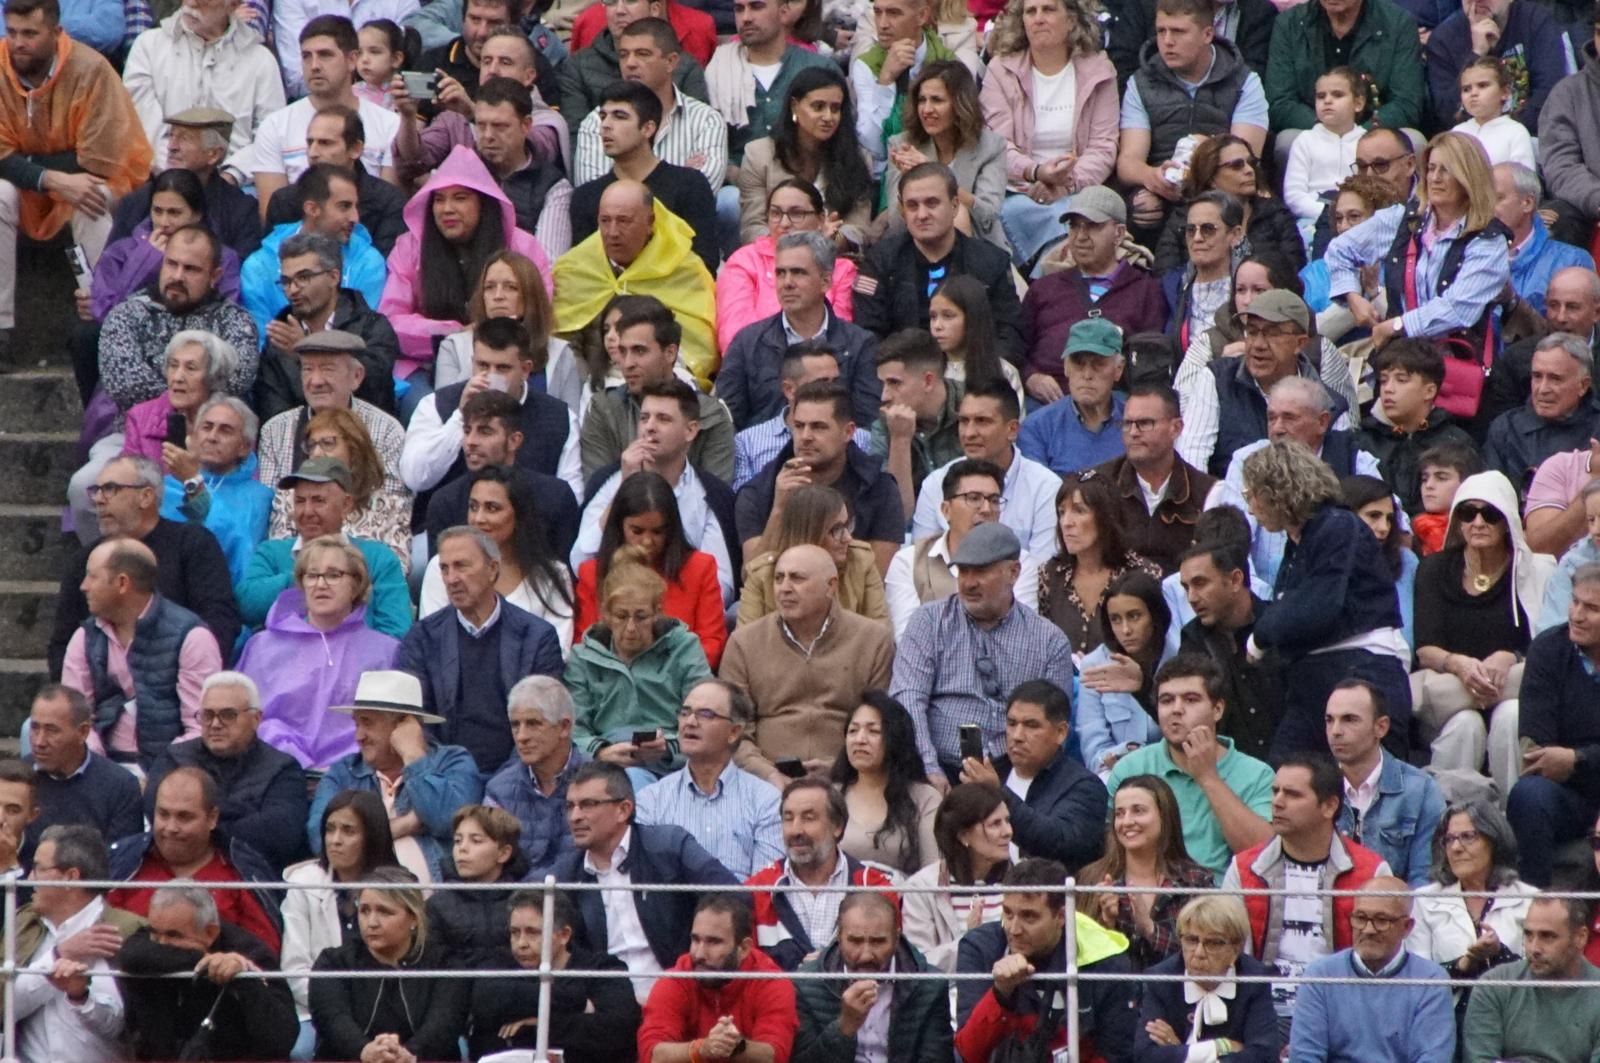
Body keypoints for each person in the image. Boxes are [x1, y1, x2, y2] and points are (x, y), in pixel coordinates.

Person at [0, 0, 152, 366]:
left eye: (30, 34)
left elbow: (96, 159)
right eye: (13, 32)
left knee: (92, 198)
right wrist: (50, 177)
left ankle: (106, 320)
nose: (18, 43)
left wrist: (33, 168)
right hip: (31, 187)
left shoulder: (91, 69)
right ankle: (1, 331)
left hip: (97, 180)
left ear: (56, 33)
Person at [1242, 441, 1413, 760]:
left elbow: (1318, 606)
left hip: (1362, 669)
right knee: (1284, 781)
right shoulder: (1299, 543)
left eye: (1251, 495)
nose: (1250, 508)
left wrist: (1261, 636)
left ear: (1276, 491)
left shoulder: (1338, 525)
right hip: (1312, 681)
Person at [1325, 133, 1511, 413]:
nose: (1435, 178)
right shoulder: (1405, 219)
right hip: (1395, 368)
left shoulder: (1488, 240)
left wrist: (1397, 325)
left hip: (1451, 375)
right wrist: (1353, 297)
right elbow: (1339, 250)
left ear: (1468, 177)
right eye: (1432, 168)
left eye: (1446, 170)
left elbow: (1458, 309)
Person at [893, 523, 1074, 787]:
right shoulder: (929, 622)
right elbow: (907, 697)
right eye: (963, 571)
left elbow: (1056, 724)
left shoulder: (1049, 641)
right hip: (937, 769)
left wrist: (1017, 785)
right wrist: (928, 768)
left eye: (980, 571)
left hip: (1016, 774)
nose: (968, 583)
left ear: (1013, 572)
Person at [1221, 755, 1391, 1034]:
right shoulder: (1243, 869)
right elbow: (1227, 956)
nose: (1277, 802)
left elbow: (1387, 963)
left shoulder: (1373, 872)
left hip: (1343, 1018)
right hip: (1259, 1018)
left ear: (1329, 806)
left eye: (1292, 794)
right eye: (1275, 791)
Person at [1412, 472, 1553, 791]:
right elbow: (1425, 648)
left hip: (1515, 687)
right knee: (1465, 725)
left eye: (1489, 513)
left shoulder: (1536, 570)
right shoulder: (1433, 569)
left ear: (1506, 520)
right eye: (1467, 512)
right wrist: (1460, 665)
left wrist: (1511, 656)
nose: (1478, 522)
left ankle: (1512, 820)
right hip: (1453, 693)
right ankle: (1447, 822)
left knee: (1510, 717)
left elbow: (1551, 644)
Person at [555, 761, 739, 999]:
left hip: (684, 994)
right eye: (570, 806)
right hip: (610, 1006)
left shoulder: (670, 846)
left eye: (588, 805)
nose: (575, 817)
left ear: (623, 809)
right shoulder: (566, 876)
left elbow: (733, 896)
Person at [380, 146, 553, 400]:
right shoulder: (410, 247)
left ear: (484, 203)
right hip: (424, 366)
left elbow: (539, 309)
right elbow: (389, 322)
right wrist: (454, 332)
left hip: (510, 361)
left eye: (460, 198)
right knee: (424, 405)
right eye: (438, 199)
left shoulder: (523, 246)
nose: (446, 209)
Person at [724, 543, 896, 785]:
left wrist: (840, 769)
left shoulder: (873, 640)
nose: (784, 588)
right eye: (778, 578)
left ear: (831, 586)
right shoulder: (744, 643)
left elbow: (882, 726)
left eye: (797, 578)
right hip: (761, 783)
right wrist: (769, 774)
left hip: (849, 780)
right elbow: (734, 731)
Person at [399, 525, 564, 774]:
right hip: (445, 774)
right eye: (445, 568)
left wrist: (505, 781)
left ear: (492, 569)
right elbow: (417, 720)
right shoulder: (423, 638)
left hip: (519, 774)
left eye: (461, 566)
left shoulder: (536, 637)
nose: (451, 578)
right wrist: (455, 776)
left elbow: (541, 721)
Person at [58, 535, 224, 770]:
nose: (83, 585)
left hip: (172, 772)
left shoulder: (192, 637)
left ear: (122, 583)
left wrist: (158, 777)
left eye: (93, 576)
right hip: (101, 769)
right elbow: (74, 718)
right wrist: (102, 774)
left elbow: (200, 729)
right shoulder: (85, 637)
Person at [237, 537, 401, 771]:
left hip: (355, 779)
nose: (320, 584)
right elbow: (244, 721)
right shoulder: (261, 647)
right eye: (312, 575)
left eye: (333, 575)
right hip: (274, 774)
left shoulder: (386, 651)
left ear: (356, 584)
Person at [307, 670, 485, 882]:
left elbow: (447, 822)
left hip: (432, 903)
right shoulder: (343, 772)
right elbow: (320, 839)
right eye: (357, 724)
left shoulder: (453, 762)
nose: (358, 736)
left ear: (403, 724)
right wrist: (405, 825)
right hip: (356, 897)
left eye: (367, 723)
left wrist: (414, 758)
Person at [975, 0, 1116, 265]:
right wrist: (1036, 172)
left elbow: (1103, 147)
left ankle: (1041, 291)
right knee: (1016, 214)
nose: (1038, 18)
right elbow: (996, 144)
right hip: (1017, 189)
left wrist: (1067, 184)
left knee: (1073, 214)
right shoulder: (1000, 70)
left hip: (1078, 188)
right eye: (1031, 11)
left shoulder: (1099, 71)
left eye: (1049, 9)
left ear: (1071, 21)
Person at [1117, 0, 1269, 246]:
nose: (1167, 41)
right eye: (1161, 31)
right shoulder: (1141, 83)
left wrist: (1201, 164)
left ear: (1208, 34)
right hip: (1164, 190)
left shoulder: (1245, 81)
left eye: (1178, 31)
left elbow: (1245, 158)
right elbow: (1128, 161)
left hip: (1222, 188)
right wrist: (1151, 176)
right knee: (1141, 206)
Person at [1105, 654, 1273, 876]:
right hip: (1149, 899)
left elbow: (1263, 855)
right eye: (1166, 700)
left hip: (1224, 903)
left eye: (1191, 699)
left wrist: (1208, 777)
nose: (1176, 709)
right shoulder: (1130, 769)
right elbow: (1115, 852)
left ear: (1217, 709)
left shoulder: (1257, 774)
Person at [955, 857, 1138, 1061]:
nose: (1014, 929)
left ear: (1061, 916)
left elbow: (1116, 1056)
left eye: (1029, 917)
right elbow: (967, 1053)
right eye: (1007, 913)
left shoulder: (1106, 958)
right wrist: (1000, 993)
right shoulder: (979, 948)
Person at [401, 316, 582, 519]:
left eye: (503, 368)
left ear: (525, 370)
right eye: (483, 366)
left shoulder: (559, 417)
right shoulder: (435, 404)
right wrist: (460, 415)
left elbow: (571, 498)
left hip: (529, 533)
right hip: (448, 531)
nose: (490, 376)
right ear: (472, 363)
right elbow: (414, 477)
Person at [567, 539, 714, 785]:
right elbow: (574, 729)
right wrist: (600, 753)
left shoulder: (684, 647)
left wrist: (669, 746)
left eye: (641, 616)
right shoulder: (583, 656)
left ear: (657, 612)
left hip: (675, 766)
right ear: (605, 614)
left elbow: (707, 715)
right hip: (606, 767)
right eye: (621, 616)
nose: (631, 628)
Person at [552, 181, 718, 389]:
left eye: (623, 221)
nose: (612, 232)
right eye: (605, 221)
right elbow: (563, 347)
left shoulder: (685, 269)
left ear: (650, 221)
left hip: (666, 389)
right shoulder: (575, 268)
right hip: (593, 390)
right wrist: (592, 390)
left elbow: (696, 352)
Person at [853, 163, 1024, 365]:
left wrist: (977, 375)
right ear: (901, 209)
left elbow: (1009, 335)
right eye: (912, 205)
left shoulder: (990, 261)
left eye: (932, 203)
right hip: (903, 376)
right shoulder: (880, 261)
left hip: (973, 377)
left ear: (954, 206)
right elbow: (868, 334)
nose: (922, 214)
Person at [143, 672, 309, 873]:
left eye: (228, 715)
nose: (215, 724)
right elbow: (158, 817)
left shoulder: (283, 769)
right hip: (174, 873)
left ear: (256, 719)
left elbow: (277, 837)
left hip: (250, 878)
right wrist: (239, 812)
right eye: (207, 715)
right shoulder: (174, 758)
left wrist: (202, 825)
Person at [1017, 187, 1169, 407]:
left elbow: (1152, 361)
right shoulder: (1044, 288)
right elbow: (1015, 347)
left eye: (1092, 226)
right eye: (1074, 226)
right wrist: (1031, 377)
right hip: (1046, 403)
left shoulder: (1146, 290)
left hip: (1117, 403)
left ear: (1118, 233)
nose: (1080, 237)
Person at [115, 884, 299, 1062]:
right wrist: (205, 960)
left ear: (210, 933)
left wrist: (244, 978)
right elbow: (130, 956)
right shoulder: (145, 943)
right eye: (155, 933)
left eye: (173, 935)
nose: (161, 944)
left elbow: (282, 1038)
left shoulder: (250, 951)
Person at [736, 379, 906, 572]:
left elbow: (877, 576)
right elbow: (751, 577)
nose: (806, 436)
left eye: (818, 427)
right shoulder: (759, 490)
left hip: (854, 599)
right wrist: (779, 509)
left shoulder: (879, 488)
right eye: (799, 426)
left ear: (848, 432)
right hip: (777, 599)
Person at [107, 766, 282, 953]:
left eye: (184, 817)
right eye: (163, 814)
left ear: (212, 818)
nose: (171, 827)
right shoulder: (122, 863)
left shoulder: (241, 872)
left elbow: (264, 956)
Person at [236, 456, 412, 640]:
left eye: (318, 500)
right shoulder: (271, 553)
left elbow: (396, 631)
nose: (307, 511)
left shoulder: (378, 559)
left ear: (346, 505)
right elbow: (246, 606)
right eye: (300, 501)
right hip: (285, 663)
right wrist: (305, 574)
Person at [716, 229, 877, 429]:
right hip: (762, 455)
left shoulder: (859, 345)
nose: (787, 283)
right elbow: (727, 421)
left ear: (826, 281)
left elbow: (867, 423)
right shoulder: (747, 342)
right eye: (780, 273)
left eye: (798, 272)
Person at [281, 790, 400, 1055]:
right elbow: (295, 968)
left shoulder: (401, 885)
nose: (335, 841)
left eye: (348, 831)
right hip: (317, 1010)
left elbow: (411, 963)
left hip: (390, 1010)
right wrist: (338, 1010)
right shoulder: (303, 883)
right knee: (301, 1051)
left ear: (372, 836)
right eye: (330, 830)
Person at [309, 865, 470, 1061]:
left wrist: (409, 1054)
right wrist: (365, 1051)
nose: (372, 922)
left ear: (413, 918)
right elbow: (332, 1019)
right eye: (365, 911)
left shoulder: (446, 964)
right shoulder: (333, 963)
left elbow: (445, 1021)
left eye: (384, 912)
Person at [96, 225, 259, 416]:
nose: (177, 276)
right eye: (171, 264)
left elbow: (236, 381)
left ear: (215, 276)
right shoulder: (126, 314)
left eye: (191, 269)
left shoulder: (236, 321)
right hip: (137, 433)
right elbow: (125, 386)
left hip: (210, 434)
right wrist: (191, 395)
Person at [1289, 878, 1456, 1063]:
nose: (1368, 929)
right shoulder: (1320, 976)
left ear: (1407, 927)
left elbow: (1433, 1058)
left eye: (1381, 920)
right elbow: (1304, 1056)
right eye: (1360, 918)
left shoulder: (1432, 981)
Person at [1505, 562, 1600, 886]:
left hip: (1575, 774)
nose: (1576, 615)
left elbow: (1562, 759)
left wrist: (1577, 760)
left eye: (1592, 608)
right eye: (1574, 602)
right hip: (1567, 797)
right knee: (1529, 795)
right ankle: (1536, 904)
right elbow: (1537, 754)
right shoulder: (1548, 648)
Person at [567, 79, 719, 277]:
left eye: (620, 117)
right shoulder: (586, 196)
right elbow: (582, 270)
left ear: (648, 128)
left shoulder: (689, 185)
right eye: (603, 116)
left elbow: (704, 262)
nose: (605, 125)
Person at [249, 16, 400, 215]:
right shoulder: (275, 126)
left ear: (352, 60)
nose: (314, 66)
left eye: (325, 55)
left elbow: (387, 205)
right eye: (306, 56)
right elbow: (275, 215)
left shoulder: (389, 124)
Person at [743, 777, 898, 971]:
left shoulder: (877, 890)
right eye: (788, 818)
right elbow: (747, 973)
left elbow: (892, 966)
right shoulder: (755, 891)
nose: (795, 830)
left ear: (837, 826)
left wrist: (829, 965)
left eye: (809, 818)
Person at [573, 472, 728, 664]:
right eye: (637, 531)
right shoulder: (592, 573)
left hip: (678, 685)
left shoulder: (700, 568)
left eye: (657, 532)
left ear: (671, 528)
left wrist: (668, 676)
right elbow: (585, 645)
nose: (647, 541)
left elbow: (712, 643)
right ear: (619, 526)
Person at [468, 887, 642, 1059]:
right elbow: (486, 1000)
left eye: (532, 932)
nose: (521, 943)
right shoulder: (499, 964)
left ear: (564, 935)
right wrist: (578, 1002)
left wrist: (540, 1026)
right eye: (515, 933)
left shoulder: (602, 969)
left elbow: (617, 1030)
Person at [634, 678, 782, 877]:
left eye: (705, 714)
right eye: (685, 713)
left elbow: (765, 887)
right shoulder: (651, 800)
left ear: (734, 732)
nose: (690, 722)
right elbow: (644, 881)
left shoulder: (766, 800)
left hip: (743, 906)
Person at [577, 297, 735, 484]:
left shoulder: (711, 415)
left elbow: (716, 501)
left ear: (670, 353)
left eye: (639, 351)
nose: (627, 364)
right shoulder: (602, 409)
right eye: (623, 351)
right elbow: (596, 497)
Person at [13, 824, 137, 1060]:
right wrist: (59, 955)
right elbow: (5, 1006)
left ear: (70, 877)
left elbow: (121, 1026)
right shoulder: (23, 925)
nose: (29, 878)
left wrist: (80, 994)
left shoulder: (124, 931)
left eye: (38, 868)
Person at [421, 466, 576, 653]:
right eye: (473, 507)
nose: (478, 518)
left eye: (492, 508)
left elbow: (558, 651)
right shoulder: (443, 566)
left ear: (518, 514)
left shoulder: (553, 574)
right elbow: (432, 642)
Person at [959, 677, 1110, 868]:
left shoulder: (1085, 786)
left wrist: (997, 794)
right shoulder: (993, 773)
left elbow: (1059, 842)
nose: (1017, 736)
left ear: (1061, 733)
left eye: (1031, 725)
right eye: (1012, 724)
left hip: (1053, 894)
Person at [254, 329, 404, 514]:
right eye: (308, 369)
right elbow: (273, 508)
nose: (316, 381)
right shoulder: (275, 430)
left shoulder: (387, 429)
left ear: (356, 376)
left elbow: (393, 505)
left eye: (327, 369)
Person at [120, 2, 281, 174]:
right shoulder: (148, 46)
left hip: (236, 184)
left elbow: (269, 138)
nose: (191, 2)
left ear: (233, 4)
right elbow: (141, 126)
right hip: (161, 178)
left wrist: (232, 175)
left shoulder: (262, 61)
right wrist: (176, 174)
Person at [792, 890, 952, 1063]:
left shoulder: (930, 985)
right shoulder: (806, 984)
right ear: (839, 937)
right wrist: (844, 1027)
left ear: (897, 938)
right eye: (855, 941)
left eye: (878, 941)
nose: (866, 955)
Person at [1079, 774, 1217, 973]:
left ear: (1164, 816)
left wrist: (1150, 929)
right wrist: (1107, 925)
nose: (1126, 822)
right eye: (1119, 813)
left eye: (1138, 811)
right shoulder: (1092, 879)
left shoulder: (1196, 881)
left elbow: (1207, 958)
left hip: (1176, 999)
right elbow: (1081, 958)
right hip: (1117, 1000)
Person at [636, 894, 798, 1061]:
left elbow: (774, 1056)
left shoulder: (771, 983)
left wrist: (735, 1046)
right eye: (695, 940)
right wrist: (701, 1049)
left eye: (713, 942)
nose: (699, 953)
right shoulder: (675, 980)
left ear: (743, 948)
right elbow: (652, 1055)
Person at [889, 459, 1041, 637]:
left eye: (994, 500)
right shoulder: (908, 562)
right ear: (946, 510)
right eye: (973, 498)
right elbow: (908, 640)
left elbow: (1022, 635)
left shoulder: (1019, 562)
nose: (986, 509)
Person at [240, 164, 387, 348]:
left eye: (356, 206)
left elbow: (366, 341)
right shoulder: (259, 267)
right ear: (312, 209)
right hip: (278, 371)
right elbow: (260, 345)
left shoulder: (369, 262)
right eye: (344, 207)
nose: (355, 218)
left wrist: (306, 346)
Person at [572, 18, 726, 192]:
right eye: (623, 55)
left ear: (671, 62)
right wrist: (682, 176)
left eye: (642, 54)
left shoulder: (705, 120)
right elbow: (594, 196)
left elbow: (700, 193)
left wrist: (626, 189)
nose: (630, 63)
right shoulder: (596, 122)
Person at [736, 66, 876, 249]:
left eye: (835, 109)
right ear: (795, 105)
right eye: (818, 107)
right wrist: (804, 242)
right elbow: (753, 229)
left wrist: (831, 240)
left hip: (836, 259)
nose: (828, 117)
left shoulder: (858, 158)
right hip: (774, 260)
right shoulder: (759, 155)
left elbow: (859, 230)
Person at [82, 168, 244, 325]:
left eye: (174, 213)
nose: (163, 222)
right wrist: (146, 260)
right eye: (157, 211)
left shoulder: (223, 257)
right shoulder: (119, 252)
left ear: (197, 214)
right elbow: (106, 315)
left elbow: (227, 314)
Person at [877, 60, 1007, 254]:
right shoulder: (902, 145)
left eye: (937, 100)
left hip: (980, 249)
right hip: (915, 251)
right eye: (922, 100)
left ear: (960, 104)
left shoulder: (991, 147)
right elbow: (897, 224)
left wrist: (933, 171)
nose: (927, 110)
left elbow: (987, 216)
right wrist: (910, 178)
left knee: (960, 216)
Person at [1092, 384, 1223, 575]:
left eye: (1145, 423)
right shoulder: (1098, 484)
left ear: (1176, 428)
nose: (1134, 432)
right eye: (1127, 424)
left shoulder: (1209, 492)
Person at [1326, 680, 1446, 888]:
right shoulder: (1315, 788)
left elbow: (1426, 882)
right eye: (1329, 720)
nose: (1335, 731)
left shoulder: (1421, 790)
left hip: (1394, 916)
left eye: (1349, 720)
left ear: (1381, 727)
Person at [1407, 799, 1536, 992]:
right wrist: (1464, 964)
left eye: (1468, 836)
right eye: (1449, 839)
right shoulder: (1424, 900)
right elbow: (1418, 980)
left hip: (1513, 1015)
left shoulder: (1530, 900)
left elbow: (1538, 976)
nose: (1456, 848)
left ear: (1494, 841)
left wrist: (1500, 953)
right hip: (1446, 1015)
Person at [434, 249, 583, 413]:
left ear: (530, 296)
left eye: (510, 287)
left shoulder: (561, 353)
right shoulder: (453, 346)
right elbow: (444, 410)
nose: (498, 296)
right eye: (489, 287)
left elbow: (571, 421)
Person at [1175, 537, 1283, 762]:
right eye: (1186, 588)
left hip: (1290, 767)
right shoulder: (1193, 639)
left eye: (1200, 583)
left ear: (1235, 580)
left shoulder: (1279, 627)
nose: (1192, 598)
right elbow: (1185, 711)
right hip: (1229, 772)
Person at [1134, 894, 1280, 1059]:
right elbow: (1145, 1056)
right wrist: (1222, 1046)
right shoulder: (1162, 979)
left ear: (1236, 948)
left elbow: (1265, 1056)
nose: (1199, 953)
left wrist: (1181, 1051)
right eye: (1191, 940)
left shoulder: (1254, 979)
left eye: (1213, 943)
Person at [107, 107, 262, 263]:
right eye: (171, 136)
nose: (171, 147)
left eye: (184, 138)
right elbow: (110, 268)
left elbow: (240, 272)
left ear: (213, 154)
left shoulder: (241, 211)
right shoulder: (137, 201)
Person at [1039, 473, 1165, 656]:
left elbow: (1158, 644)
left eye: (1079, 510)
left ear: (1106, 517)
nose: (1066, 523)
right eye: (1061, 512)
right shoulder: (1050, 575)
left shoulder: (1143, 573)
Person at [1462, 896, 1600, 1062]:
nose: (1534, 948)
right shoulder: (1494, 985)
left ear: (1580, 937)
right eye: (1528, 935)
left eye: (1547, 936)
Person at [261, 106, 408, 257]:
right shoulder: (284, 200)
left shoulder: (388, 201)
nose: (312, 153)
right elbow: (270, 260)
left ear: (355, 149)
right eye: (310, 142)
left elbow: (384, 266)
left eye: (325, 143)